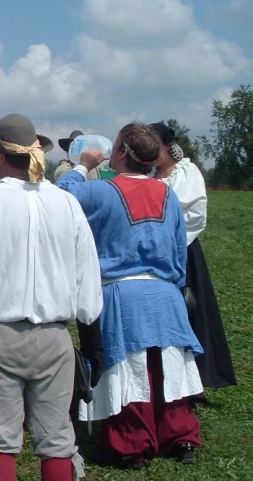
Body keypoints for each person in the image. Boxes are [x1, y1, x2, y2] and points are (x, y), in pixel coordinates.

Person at [0, 113, 103, 481]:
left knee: (0, 441)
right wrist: (92, 344)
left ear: (1, 157)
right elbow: (88, 282)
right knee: (57, 440)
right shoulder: (67, 204)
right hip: (54, 338)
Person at [57, 122, 204, 470]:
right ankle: (180, 437)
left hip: (122, 293)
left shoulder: (103, 191)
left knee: (129, 370)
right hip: (166, 292)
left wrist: (83, 165)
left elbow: (61, 194)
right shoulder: (168, 194)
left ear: (121, 153)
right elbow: (179, 245)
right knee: (169, 367)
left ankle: (131, 445)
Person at [150, 122, 237, 391]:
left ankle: (196, 380)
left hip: (182, 251)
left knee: (191, 312)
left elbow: (195, 215)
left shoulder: (186, 171)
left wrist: (169, 240)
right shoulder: (151, 176)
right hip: (154, 253)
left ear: (167, 146)